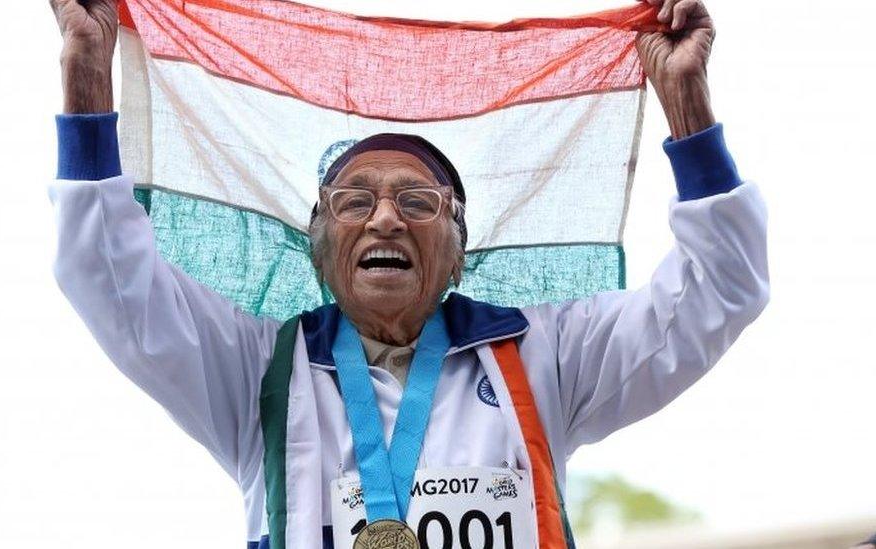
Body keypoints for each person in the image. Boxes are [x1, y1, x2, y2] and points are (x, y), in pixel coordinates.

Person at [47, 0, 769, 547]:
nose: (386, 218)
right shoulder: (257, 370)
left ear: (459, 249)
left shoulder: (544, 353)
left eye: (418, 201)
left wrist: (685, 98)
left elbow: (721, 287)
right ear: (321, 249)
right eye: (354, 201)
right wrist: (86, 64)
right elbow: (107, 273)